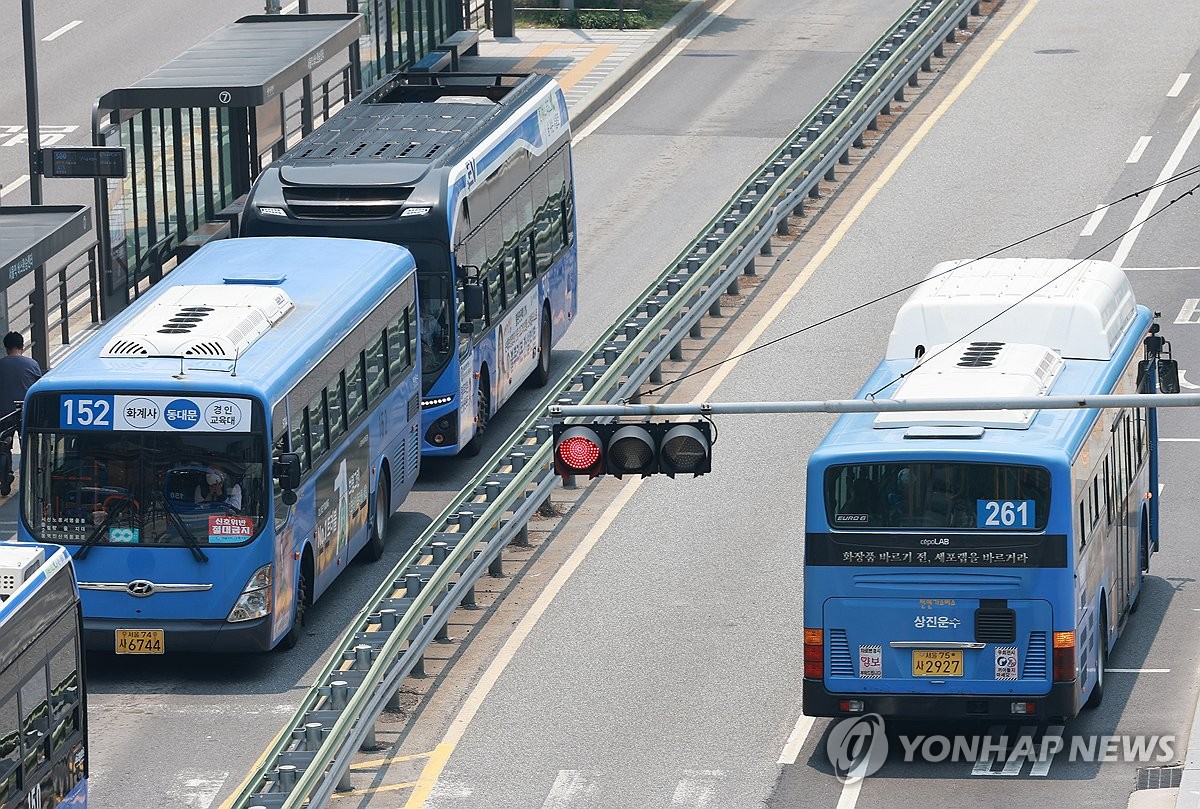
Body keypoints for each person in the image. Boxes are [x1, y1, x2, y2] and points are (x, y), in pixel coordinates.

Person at [0, 332, 42, 497]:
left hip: (4, 413)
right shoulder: (32, 364)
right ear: (22, 346)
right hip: (26, 411)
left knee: (4, 447)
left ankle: (5, 477)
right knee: (28, 444)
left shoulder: (1, 364)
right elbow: (38, 386)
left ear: (6, 347)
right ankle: (31, 478)